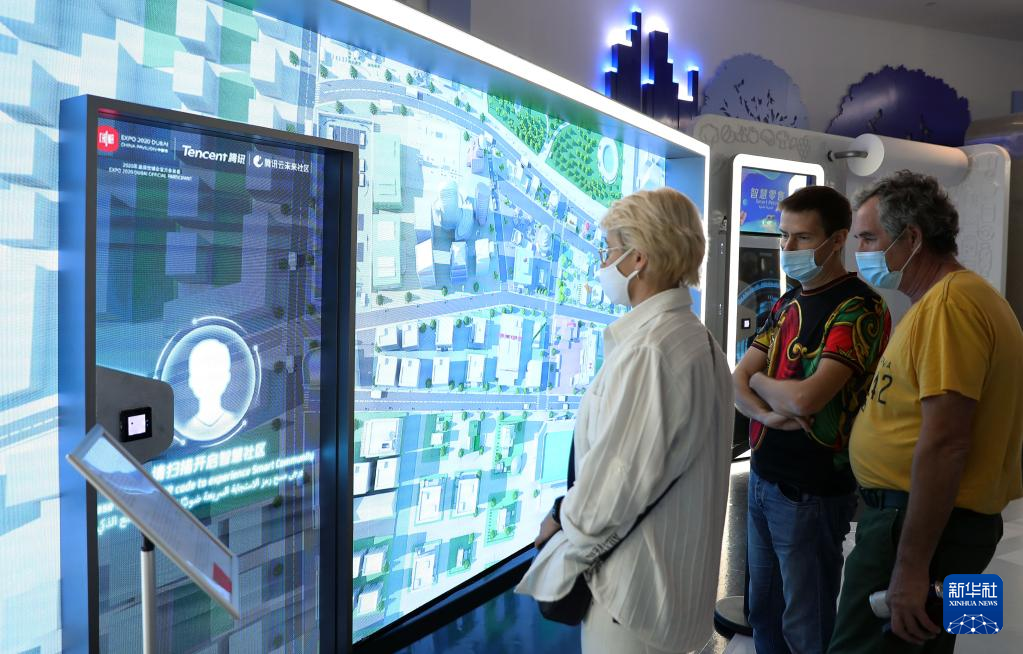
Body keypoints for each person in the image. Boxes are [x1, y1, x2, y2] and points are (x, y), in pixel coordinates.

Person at [516, 188, 733, 654]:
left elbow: (615, 484)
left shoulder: (651, 351)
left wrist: (559, 521)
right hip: (667, 593)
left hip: (631, 602)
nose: (603, 262)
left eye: (609, 250)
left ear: (639, 258)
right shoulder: (696, 340)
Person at [829, 171, 1023, 653]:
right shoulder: (953, 299)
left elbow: (946, 442)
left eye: (868, 238)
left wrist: (911, 568)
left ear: (912, 238)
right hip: (951, 527)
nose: (859, 253)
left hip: (918, 530)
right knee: (933, 644)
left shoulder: (950, 306)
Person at [733, 185, 891, 654]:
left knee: (807, 623)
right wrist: (766, 411)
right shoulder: (788, 302)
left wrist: (759, 383)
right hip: (763, 479)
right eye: (784, 236)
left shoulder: (858, 307)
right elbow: (736, 379)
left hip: (812, 492)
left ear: (837, 239)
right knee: (763, 612)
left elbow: (806, 398)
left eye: (802, 238)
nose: (788, 247)